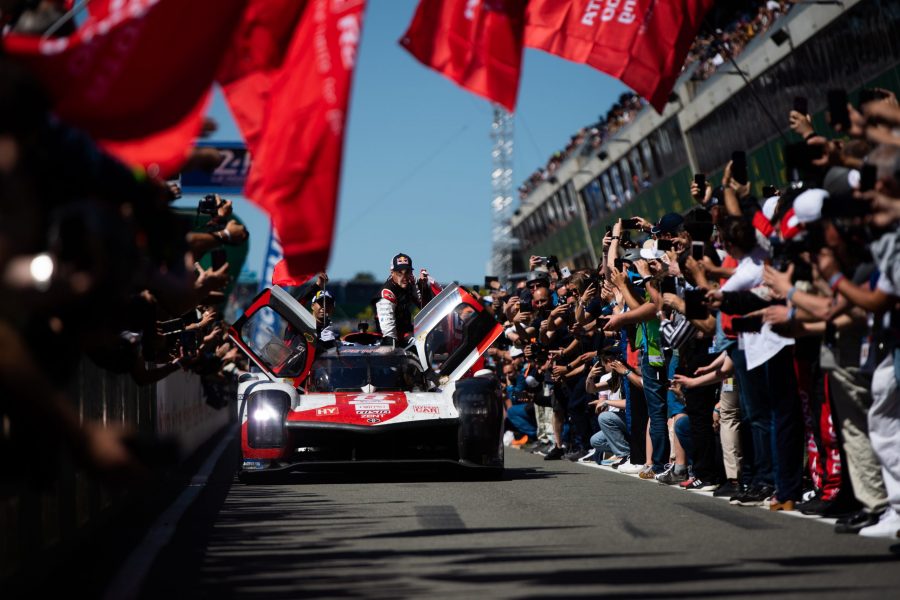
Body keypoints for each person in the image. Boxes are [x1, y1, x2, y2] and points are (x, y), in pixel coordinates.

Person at [376, 253, 436, 343]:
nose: (404, 277)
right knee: (419, 342)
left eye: (407, 272)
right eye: (399, 272)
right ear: (392, 273)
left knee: (436, 336)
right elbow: (388, 329)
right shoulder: (387, 292)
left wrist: (423, 285)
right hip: (392, 334)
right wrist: (392, 343)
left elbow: (424, 306)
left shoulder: (411, 280)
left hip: (407, 328)